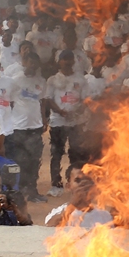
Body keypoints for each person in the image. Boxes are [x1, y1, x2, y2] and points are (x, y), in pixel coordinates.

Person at [6, 51, 46, 203]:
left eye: (36, 63)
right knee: (19, 161)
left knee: (34, 160)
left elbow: (42, 102)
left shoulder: (41, 81)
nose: (33, 65)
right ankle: (19, 192)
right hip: (19, 127)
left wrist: (43, 120)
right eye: (30, 62)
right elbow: (9, 102)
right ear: (25, 62)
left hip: (35, 126)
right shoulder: (15, 81)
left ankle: (33, 191)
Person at [45, 50, 86, 196]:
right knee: (56, 154)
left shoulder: (81, 79)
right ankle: (56, 185)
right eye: (64, 59)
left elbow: (85, 100)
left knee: (75, 153)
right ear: (59, 61)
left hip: (76, 122)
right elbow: (48, 99)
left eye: (70, 59)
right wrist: (60, 111)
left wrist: (76, 112)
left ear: (74, 62)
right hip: (58, 122)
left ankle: (75, 183)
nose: (67, 62)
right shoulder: (52, 80)